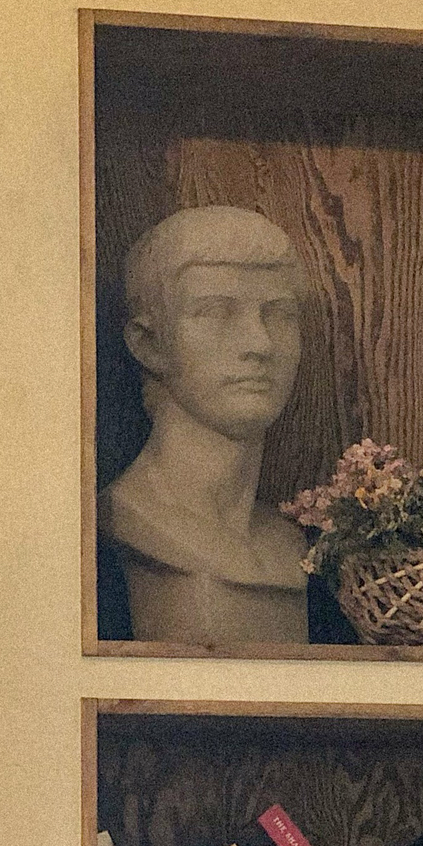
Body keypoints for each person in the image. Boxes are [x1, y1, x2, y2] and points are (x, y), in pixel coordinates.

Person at [98, 205, 311, 645]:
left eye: (280, 314)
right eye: (215, 312)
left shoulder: (299, 551)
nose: (260, 343)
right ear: (148, 343)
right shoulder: (118, 525)